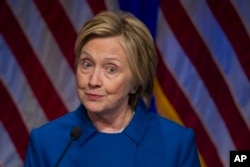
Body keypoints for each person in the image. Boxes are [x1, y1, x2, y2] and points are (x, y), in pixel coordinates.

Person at [24, 11, 201, 167]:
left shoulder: (176, 144)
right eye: (87, 64)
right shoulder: (47, 143)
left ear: (136, 82)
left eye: (111, 69)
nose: (93, 81)